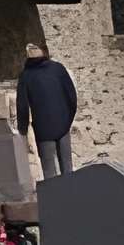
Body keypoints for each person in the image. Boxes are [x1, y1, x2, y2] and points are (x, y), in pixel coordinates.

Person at [16, 40, 79, 179]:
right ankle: (73, 197)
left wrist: (23, 129)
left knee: (49, 170)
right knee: (67, 168)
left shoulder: (26, 75)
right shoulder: (58, 69)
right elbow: (71, 96)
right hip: (63, 123)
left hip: (43, 127)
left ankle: (54, 199)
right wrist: (68, 118)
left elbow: (22, 105)